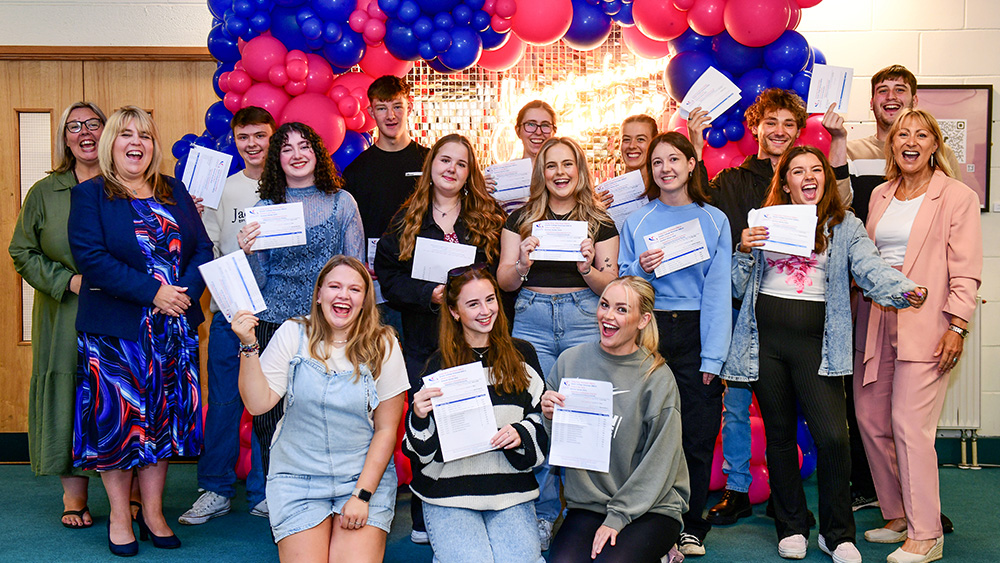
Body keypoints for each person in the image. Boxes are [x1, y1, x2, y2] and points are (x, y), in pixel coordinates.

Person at [723, 145, 926, 562]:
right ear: (786, 183)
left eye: (816, 169)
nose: (808, 176)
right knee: (779, 438)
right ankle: (792, 526)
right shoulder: (763, 222)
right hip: (766, 345)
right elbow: (736, 287)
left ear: (826, 178)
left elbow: (869, 268)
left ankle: (836, 534)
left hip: (818, 348)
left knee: (834, 437)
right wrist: (743, 250)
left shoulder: (845, 224)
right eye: (797, 171)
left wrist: (902, 289)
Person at [687, 89, 849, 527]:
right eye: (771, 122)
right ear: (756, 127)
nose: (779, 131)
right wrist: (696, 147)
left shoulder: (813, 180)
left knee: (792, 408)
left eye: (789, 125)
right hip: (745, 306)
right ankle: (738, 489)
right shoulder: (737, 180)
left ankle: (786, 496)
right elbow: (701, 204)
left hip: (799, 314)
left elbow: (843, 219)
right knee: (737, 404)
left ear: (799, 132)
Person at [68, 105, 213, 556]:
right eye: (126, 134)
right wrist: (154, 293)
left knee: (162, 425)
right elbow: (91, 258)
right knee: (121, 425)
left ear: (153, 145)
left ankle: (153, 513)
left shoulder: (174, 190)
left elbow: (202, 248)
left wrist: (180, 293)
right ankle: (118, 514)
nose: (137, 143)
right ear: (111, 143)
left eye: (145, 136)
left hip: (173, 331)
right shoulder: (91, 194)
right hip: (117, 335)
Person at [854, 108, 981, 563]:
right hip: (875, 319)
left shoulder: (956, 196)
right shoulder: (881, 195)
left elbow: (966, 272)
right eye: (902, 134)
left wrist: (957, 325)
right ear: (891, 145)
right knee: (870, 419)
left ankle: (927, 533)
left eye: (921, 135)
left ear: (934, 145)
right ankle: (898, 515)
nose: (910, 141)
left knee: (910, 426)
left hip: (927, 324)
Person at [374, 133, 506, 543]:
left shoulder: (488, 218)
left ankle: (474, 502)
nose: (451, 169)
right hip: (424, 341)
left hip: (477, 343)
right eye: (444, 160)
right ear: (431, 166)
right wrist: (427, 295)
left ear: (470, 174)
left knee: (475, 423)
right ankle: (423, 513)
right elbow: (389, 278)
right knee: (426, 426)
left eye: (461, 164)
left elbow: (502, 280)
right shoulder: (406, 218)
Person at [232, 255, 407, 562]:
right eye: (335, 286)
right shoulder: (292, 333)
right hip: (297, 477)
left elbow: (386, 430)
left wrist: (362, 495)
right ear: (318, 294)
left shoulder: (384, 344)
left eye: (354, 289)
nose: (343, 295)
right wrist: (248, 345)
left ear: (365, 300)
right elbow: (257, 404)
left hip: (361, 477)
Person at [497, 136, 619, 549]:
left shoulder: (600, 221)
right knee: (537, 414)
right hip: (530, 319)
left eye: (568, 165)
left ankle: (590, 513)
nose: (560, 173)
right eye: (552, 166)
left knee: (582, 414)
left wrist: (587, 268)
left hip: (584, 317)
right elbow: (504, 281)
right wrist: (523, 264)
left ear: (580, 170)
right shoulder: (520, 219)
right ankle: (544, 514)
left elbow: (611, 283)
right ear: (541, 172)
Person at [618, 132, 731, 557]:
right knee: (643, 429)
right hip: (651, 328)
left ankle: (692, 524)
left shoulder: (715, 219)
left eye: (673, 159)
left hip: (699, 329)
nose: (665, 168)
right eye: (656, 162)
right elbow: (626, 283)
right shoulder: (637, 221)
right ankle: (645, 515)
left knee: (698, 433)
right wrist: (638, 267)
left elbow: (718, 291)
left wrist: (714, 354)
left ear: (690, 165)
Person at [237, 121, 365, 478]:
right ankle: (279, 495)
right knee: (270, 418)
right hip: (274, 324)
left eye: (304, 146)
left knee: (327, 414)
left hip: (329, 327)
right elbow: (260, 281)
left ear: (317, 153)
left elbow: (356, 272)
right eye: (287, 148)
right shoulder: (265, 208)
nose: (296, 154)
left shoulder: (342, 202)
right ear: (277, 158)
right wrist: (248, 252)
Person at [404, 266, 547, 563]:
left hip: (511, 490)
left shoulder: (523, 356)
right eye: (473, 304)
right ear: (455, 312)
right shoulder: (437, 365)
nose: (486, 311)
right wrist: (418, 416)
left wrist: (521, 433)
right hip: (449, 493)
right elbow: (420, 453)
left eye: (490, 299)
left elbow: (541, 426)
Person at [541, 276, 689, 563]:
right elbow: (556, 449)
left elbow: (660, 462)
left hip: (651, 506)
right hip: (590, 504)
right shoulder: (569, 362)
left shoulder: (657, 378)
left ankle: (662, 550)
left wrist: (619, 516)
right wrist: (548, 418)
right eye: (605, 305)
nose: (608, 316)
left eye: (621, 309)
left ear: (643, 319)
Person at [8, 101, 106, 530]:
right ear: (65, 139)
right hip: (64, 310)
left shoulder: (130, 185)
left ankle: (135, 496)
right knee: (68, 393)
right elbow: (21, 251)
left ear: (108, 131)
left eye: (93, 124)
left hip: (123, 309)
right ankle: (74, 496)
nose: (85, 132)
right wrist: (68, 281)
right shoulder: (44, 192)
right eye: (74, 127)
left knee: (119, 395)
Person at [179, 106, 275, 526]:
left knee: (271, 408)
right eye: (243, 137)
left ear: (273, 138)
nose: (252, 144)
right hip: (228, 315)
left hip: (278, 317)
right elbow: (211, 253)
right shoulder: (224, 191)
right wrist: (194, 214)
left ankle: (264, 491)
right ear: (234, 141)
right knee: (222, 403)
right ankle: (215, 489)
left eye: (260, 135)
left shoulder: (290, 190)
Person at [342, 75, 430, 336]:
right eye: (382, 108)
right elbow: (351, 227)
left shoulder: (430, 162)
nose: (391, 116)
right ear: (371, 112)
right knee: (379, 359)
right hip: (378, 285)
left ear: (410, 106)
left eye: (397, 106)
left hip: (424, 281)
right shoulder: (357, 170)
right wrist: (359, 265)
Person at [847, 65, 960, 225]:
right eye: (883, 90)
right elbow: (839, 210)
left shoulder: (939, 152)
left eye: (900, 90)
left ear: (914, 101)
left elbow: (956, 213)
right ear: (872, 103)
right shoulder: (850, 152)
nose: (891, 96)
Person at [487, 100, 558, 213]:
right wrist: (481, 193)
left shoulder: (564, 174)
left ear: (553, 132)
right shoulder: (502, 176)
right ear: (518, 131)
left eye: (545, 125)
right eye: (530, 124)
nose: (538, 132)